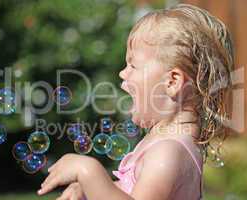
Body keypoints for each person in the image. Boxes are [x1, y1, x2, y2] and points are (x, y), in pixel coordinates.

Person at [37, 3, 234, 200]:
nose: (123, 72)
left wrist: (88, 171)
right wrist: (90, 190)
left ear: (172, 81)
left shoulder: (167, 152)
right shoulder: (164, 145)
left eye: (133, 64)